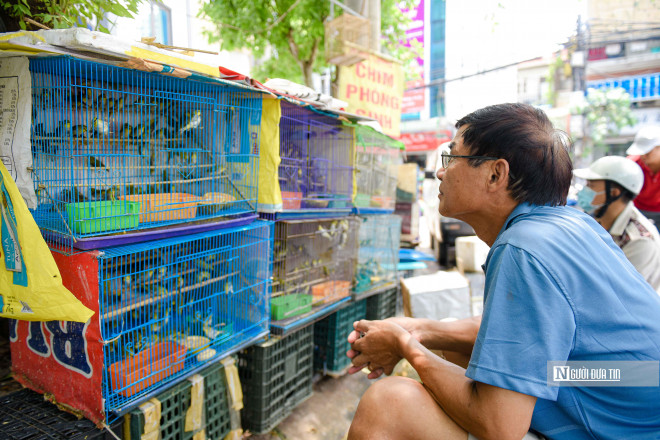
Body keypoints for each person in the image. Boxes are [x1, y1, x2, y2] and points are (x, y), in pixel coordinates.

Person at [346, 103, 660, 440]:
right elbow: (514, 331)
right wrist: (419, 330)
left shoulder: (524, 248)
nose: (440, 172)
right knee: (465, 350)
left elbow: (500, 427)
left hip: (625, 418)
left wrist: (406, 345)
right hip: (620, 379)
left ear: (496, 174)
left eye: (451, 158)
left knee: (390, 403)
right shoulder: (569, 224)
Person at [574, 156, 660, 293]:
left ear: (614, 193)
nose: (584, 191)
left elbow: (621, 293)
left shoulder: (639, 240)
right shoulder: (595, 219)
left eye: (590, 185)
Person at [626, 125, 660, 225]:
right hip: (636, 211)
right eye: (641, 152)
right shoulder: (631, 164)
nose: (643, 156)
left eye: (647, 152)